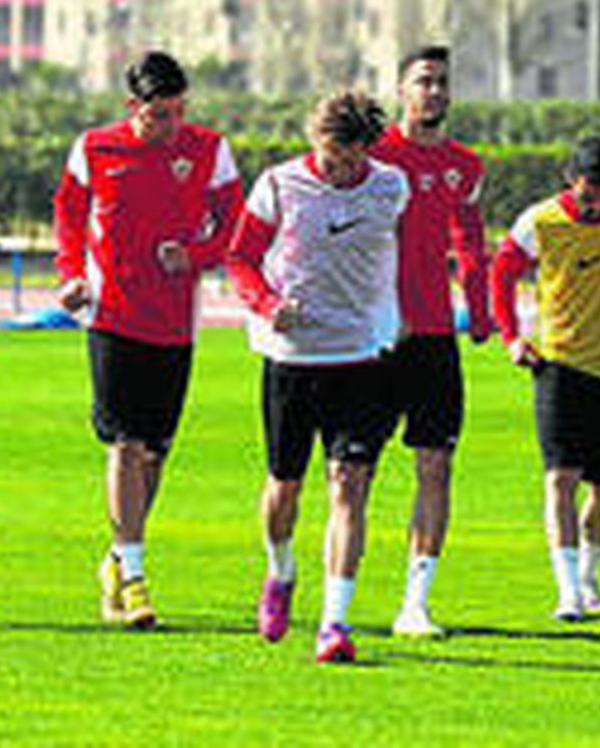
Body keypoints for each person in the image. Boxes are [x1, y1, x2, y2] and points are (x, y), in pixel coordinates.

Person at [52, 51, 245, 629]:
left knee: (155, 453)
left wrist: (196, 256)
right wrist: (70, 273)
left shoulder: (209, 150)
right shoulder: (94, 149)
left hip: (174, 322)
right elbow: (68, 211)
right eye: (160, 114)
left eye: (180, 112)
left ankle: (116, 558)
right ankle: (134, 577)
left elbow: (235, 226)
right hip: (111, 317)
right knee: (126, 445)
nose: (172, 125)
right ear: (133, 107)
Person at [227, 90, 408, 663]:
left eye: (353, 160)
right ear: (316, 142)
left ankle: (335, 621)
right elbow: (240, 258)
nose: (342, 170)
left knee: (349, 485)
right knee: (285, 487)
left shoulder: (390, 188)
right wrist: (265, 302)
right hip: (291, 355)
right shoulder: (279, 185)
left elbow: (417, 252)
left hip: (359, 356)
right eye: (333, 159)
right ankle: (280, 573)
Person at [489, 136, 600, 623]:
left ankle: (589, 577)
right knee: (560, 479)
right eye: (589, 195)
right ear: (573, 182)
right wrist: (512, 336)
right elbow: (501, 274)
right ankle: (567, 589)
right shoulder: (540, 221)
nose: (597, 205)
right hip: (560, 365)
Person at [366, 45, 491, 639]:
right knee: (353, 470)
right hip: (375, 337)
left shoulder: (464, 165)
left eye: (443, 82)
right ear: (401, 89)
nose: (435, 92)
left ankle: (415, 602)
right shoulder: (372, 157)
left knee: (436, 466)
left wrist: (483, 307)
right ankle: (339, 591)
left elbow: (469, 238)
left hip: (436, 336)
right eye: (424, 81)